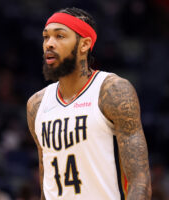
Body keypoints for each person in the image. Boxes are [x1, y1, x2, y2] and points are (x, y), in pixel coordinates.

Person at [27, 7, 152, 200]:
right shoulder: (36, 104)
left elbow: (140, 182)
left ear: (84, 44)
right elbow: (47, 184)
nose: (49, 44)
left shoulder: (112, 91)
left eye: (60, 36)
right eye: (46, 37)